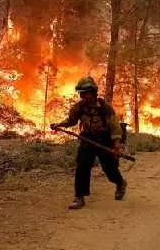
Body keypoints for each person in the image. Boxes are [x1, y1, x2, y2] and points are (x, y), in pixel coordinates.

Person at [50, 76, 127, 209]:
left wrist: (117, 144)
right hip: (88, 139)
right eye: (81, 93)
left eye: (86, 93)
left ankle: (120, 183)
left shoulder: (105, 109)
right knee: (82, 166)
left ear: (94, 92)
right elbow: (71, 121)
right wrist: (59, 125)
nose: (84, 96)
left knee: (109, 169)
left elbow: (115, 127)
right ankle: (79, 197)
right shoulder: (79, 107)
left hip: (105, 140)